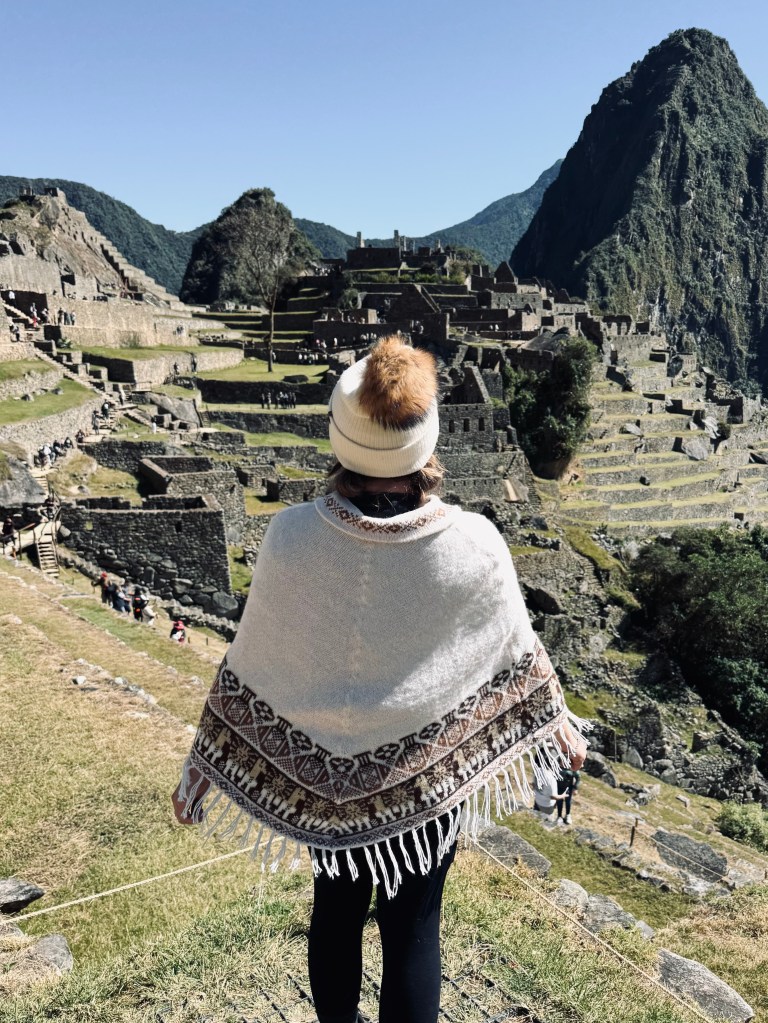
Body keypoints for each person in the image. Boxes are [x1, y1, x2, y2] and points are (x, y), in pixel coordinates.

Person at [171, 336, 587, 1023]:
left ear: (340, 440)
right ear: (426, 445)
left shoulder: (292, 537)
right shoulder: (475, 543)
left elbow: (251, 660)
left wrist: (203, 765)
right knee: (414, 929)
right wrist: (557, 730)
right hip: (426, 782)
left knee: (333, 912)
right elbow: (520, 655)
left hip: (318, 782)